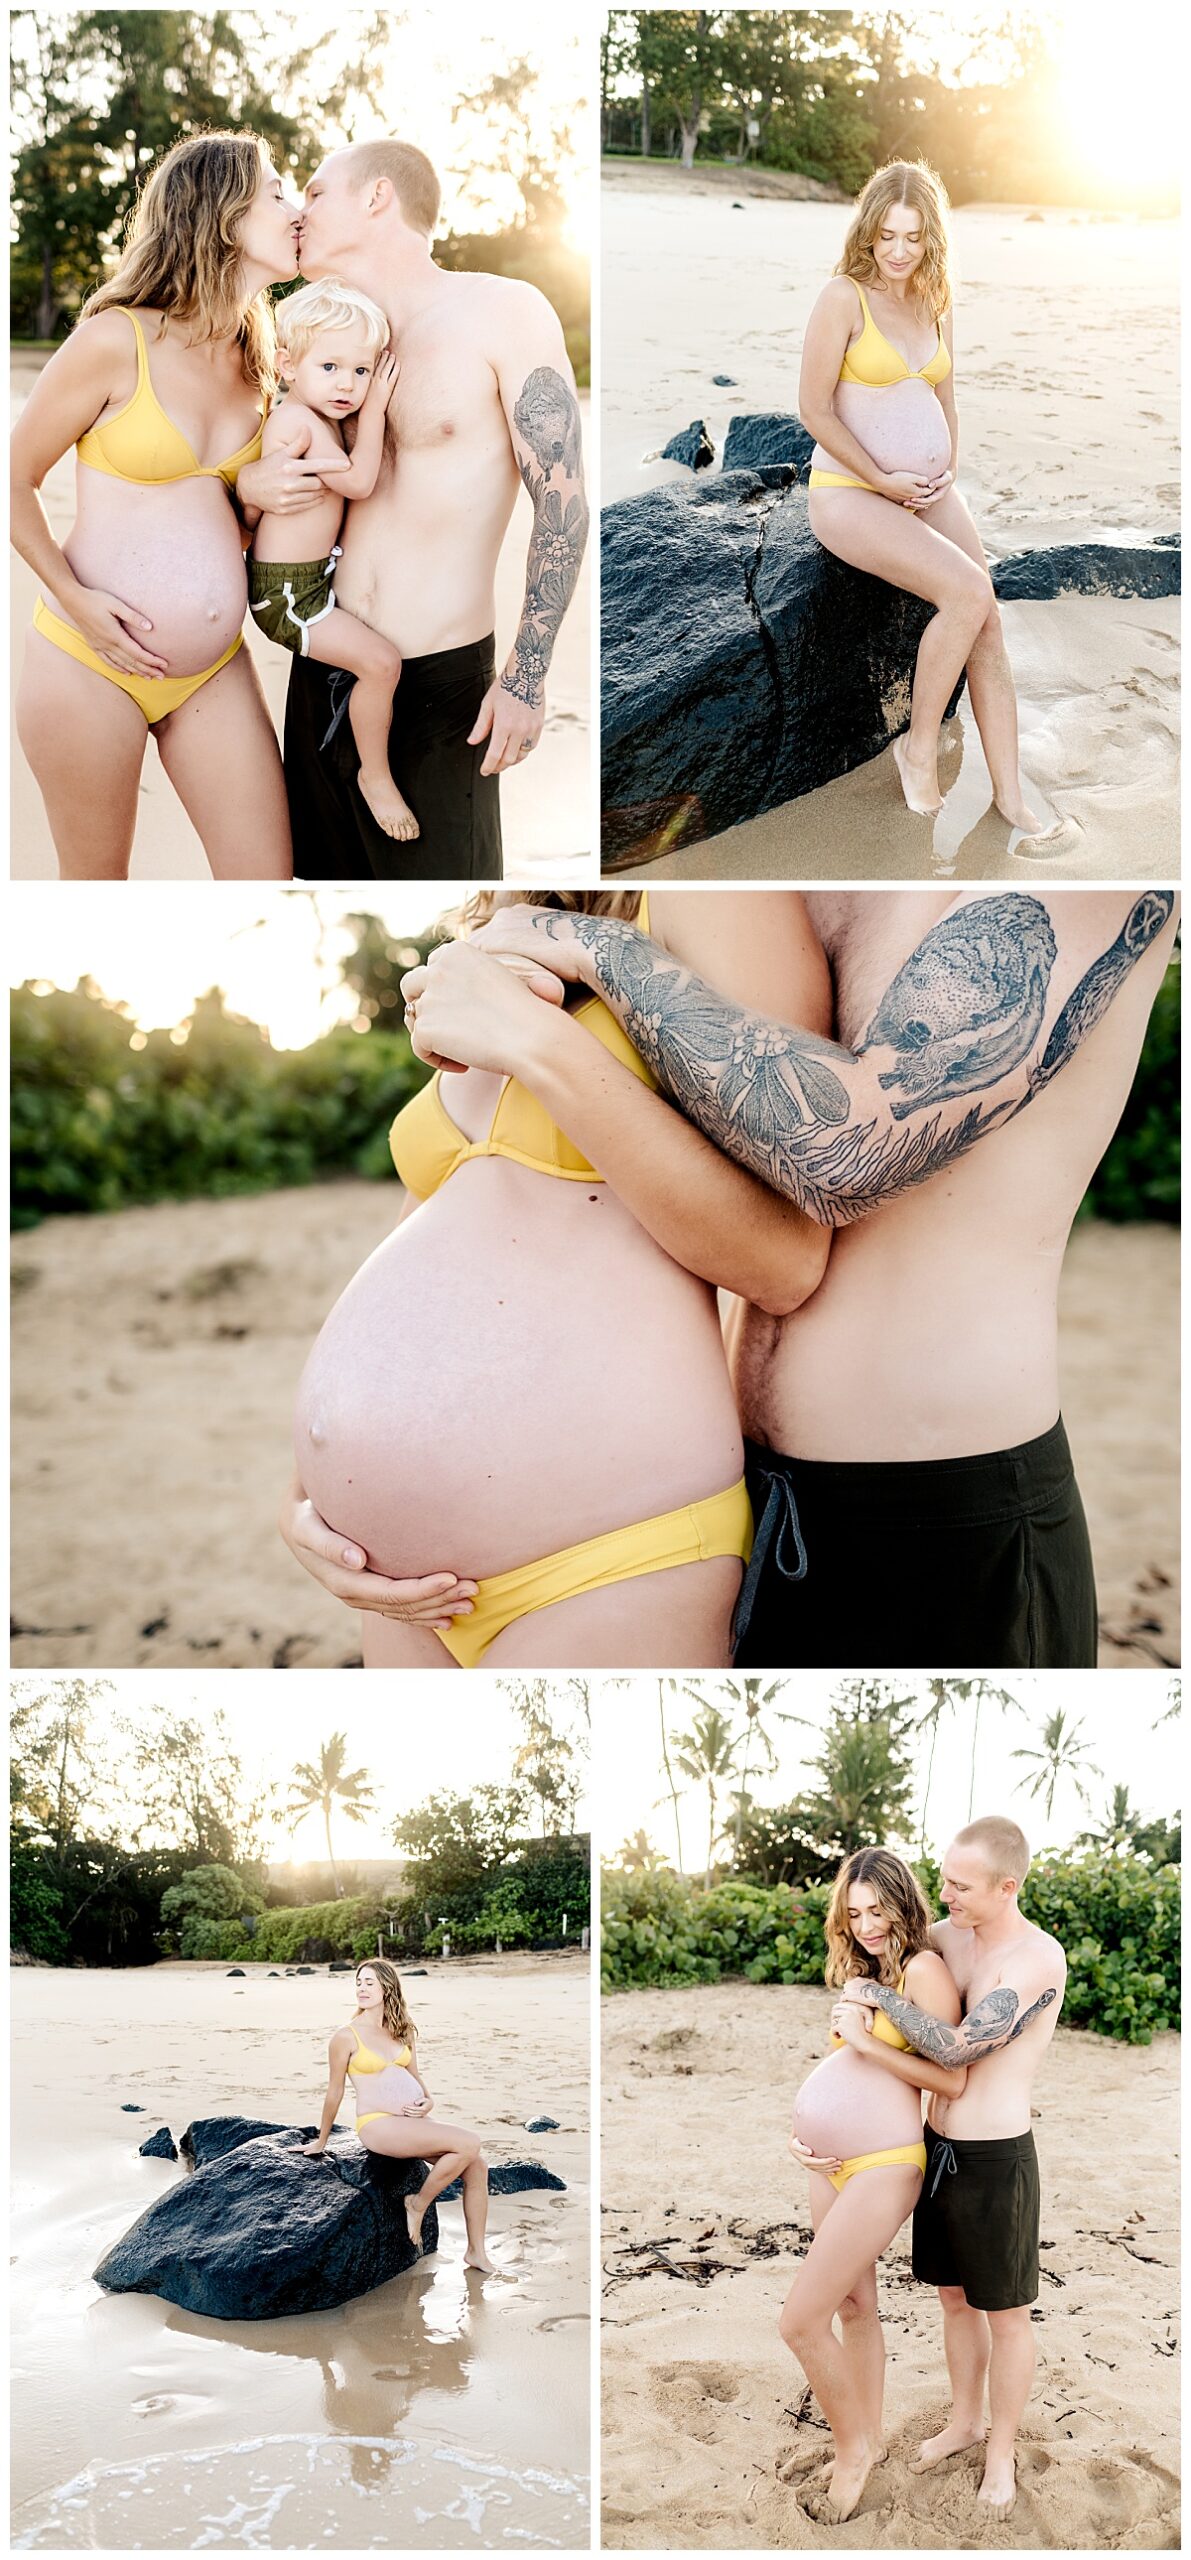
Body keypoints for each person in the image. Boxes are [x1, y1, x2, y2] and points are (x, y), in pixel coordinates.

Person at [409, 885, 1179, 1670]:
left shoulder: (1097, 870)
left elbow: (851, 1152)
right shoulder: (788, 881)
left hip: (938, 1507)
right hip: (728, 1497)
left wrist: (590, 950)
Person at [279, 891, 832, 1667]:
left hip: (608, 1560)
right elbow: (429, 1242)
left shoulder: (707, 898)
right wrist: (308, 1492)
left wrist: (533, 1041)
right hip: (397, 1589)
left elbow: (783, 1259)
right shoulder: (503, 930)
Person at [238, 139, 588, 880]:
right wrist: (249, 490)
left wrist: (526, 678)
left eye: (315, 191)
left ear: (376, 198)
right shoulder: (323, 347)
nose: (299, 210)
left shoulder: (502, 310)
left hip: (439, 691)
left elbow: (561, 502)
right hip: (321, 665)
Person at [11, 131, 311, 879]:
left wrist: (249, 496)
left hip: (212, 669)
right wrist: (75, 599)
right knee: (96, 886)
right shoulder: (116, 340)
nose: (295, 207)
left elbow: (222, 513)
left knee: (264, 880)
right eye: (276, 191)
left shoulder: (257, 357)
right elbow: (10, 478)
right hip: (89, 664)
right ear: (225, 213)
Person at [799, 159, 1042, 832]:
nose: (898, 251)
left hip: (922, 491)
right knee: (964, 592)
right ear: (867, 235)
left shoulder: (933, 297)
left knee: (986, 617)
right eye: (886, 237)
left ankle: (1009, 794)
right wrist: (882, 478)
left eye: (912, 237)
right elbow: (813, 410)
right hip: (850, 491)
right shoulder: (841, 297)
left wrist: (947, 466)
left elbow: (944, 396)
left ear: (930, 237)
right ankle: (917, 747)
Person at [842, 1816, 1066, 2519]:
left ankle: (998, 2452)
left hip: (996, 2156)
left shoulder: (1030, 1960)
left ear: (1008, 1887)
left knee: (1005, 2315)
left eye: (961, 1886)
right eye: (942, 1880)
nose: (947, 1896)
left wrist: (873, 2000)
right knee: (950, 2298)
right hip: (935, 2150)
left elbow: (962, 2050)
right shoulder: (949, 1937)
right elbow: (894, 1942)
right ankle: (964, 2420)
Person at [782, 1848, 967, 2521]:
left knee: (798, 2321)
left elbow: (951, 2077)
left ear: (902, 1903)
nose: (865, 1924)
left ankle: (853, 2448)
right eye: (853, 1913)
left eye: (877, 1909)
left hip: (888, 2163)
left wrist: (862, 2043)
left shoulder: (922, 1971)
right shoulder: (867, 1974)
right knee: (852, 2309)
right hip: (830, 2165)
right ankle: (868, 2436)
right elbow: (843, 2076)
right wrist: (805, 2134)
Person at [245, 280, 412, 839]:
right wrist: (379, 408)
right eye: (331, 367)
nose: (348, 384)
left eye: (363, 372)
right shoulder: (296, 423)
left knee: (379, 660)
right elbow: (361, 481)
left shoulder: (315, 417)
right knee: (382, 663)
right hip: (289, 597)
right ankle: (375, 774)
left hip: (308, 583)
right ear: (288, 365)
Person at [300, 1958, 496, 2271]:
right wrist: (322, 2140)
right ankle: (417, 2204)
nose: (362, 1989)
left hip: (412, 2121)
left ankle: (476, 2252)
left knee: (477, 2167)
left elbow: (416, 2076)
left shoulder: (402, 2030)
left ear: (387, 1988)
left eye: (369, 1983)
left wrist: (428, 2101)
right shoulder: (346, 2037)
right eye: (359, 1982)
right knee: (470, 2143)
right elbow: (334, 2091)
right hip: (377, 2124)